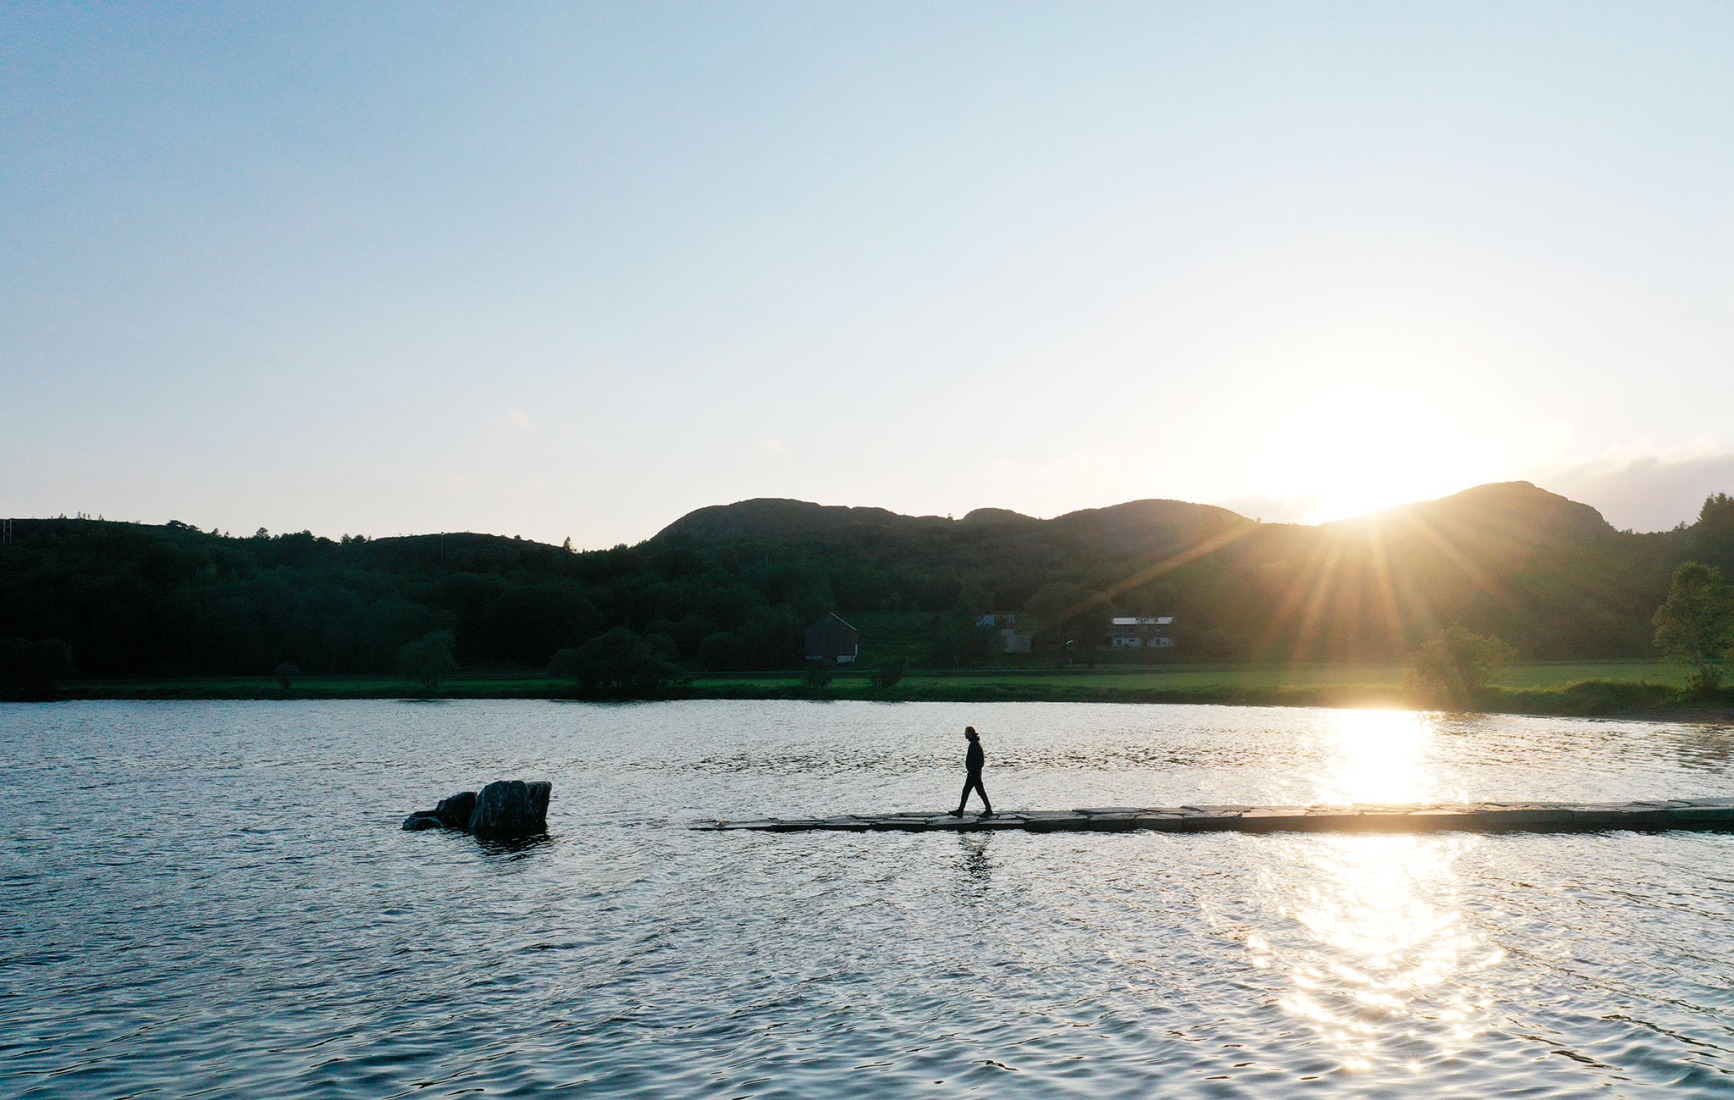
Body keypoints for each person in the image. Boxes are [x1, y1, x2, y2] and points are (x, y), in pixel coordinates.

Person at [950, 725, 993, 817]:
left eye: (966, 733)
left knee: (969, 791)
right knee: (977, 791)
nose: (965, 734)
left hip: (974, 773)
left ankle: (961, 811)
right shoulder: (975, 743)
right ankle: (987, 809)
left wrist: (972, 771)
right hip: (974, 773)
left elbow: (977, 760)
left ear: (970, 733)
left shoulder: (974, 744)